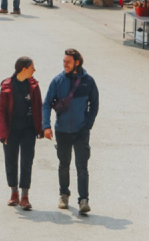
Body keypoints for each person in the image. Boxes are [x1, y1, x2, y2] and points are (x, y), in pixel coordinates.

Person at [43, 49, 99, 214]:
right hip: (62, 131)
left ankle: (83, 200)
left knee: (82, 166)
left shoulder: (88, 82)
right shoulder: (58, 81)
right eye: (63, 61)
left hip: (81, 131)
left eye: (68, 62)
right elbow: (46, 103)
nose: (64, 65)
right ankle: (64, 195)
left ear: (77, 62)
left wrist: (87, 124)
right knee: (64, 164)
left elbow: (94, 104)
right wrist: (46, 125)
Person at [0, 56, 44, 210]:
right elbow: (1, 111)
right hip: (11, 130)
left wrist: (41, 128)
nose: (34, 70)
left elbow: (39, 107)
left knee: (26, 161)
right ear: (24, 69)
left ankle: (25, 196)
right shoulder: (7, 86)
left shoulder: (34, 86)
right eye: (32, 67)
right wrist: (3, 133)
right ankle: (14, 193)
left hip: (28, 130)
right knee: (10, 161)